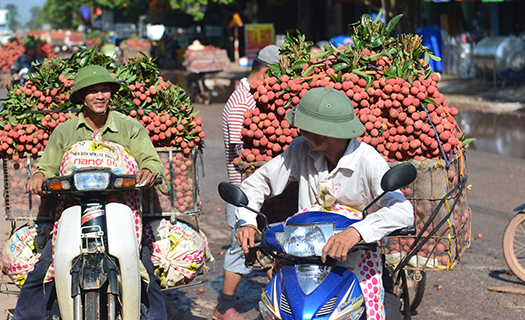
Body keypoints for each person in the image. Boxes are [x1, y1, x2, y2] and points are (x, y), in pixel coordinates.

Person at [235, 87, 413, 320]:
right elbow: (257, 184)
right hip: (303, 259)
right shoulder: (301, 149)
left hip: (357, 259)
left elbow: (402, 210)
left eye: (303, 127)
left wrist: (357, 231)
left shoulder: (367, 160)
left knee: (387, 313)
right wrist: (247, 222)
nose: (299, 132)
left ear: (324, 133)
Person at [14, 65, 168, 320]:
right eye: (92, 91)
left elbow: (150, 159)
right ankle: (26, 317)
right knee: (46, 265)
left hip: (122, 207)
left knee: (142, 266)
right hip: (74, 208)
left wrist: (148, 171)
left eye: (105, 90)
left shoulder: (129, 127)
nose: (100, 96)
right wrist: (39, 176)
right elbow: (47, 167)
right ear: (81, 97)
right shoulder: (65, 131)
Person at [215, 44, 281, 320]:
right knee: (240, 245)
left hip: (264, 186)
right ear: (266, 71)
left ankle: (281, 297)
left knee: (271, 243)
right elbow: (241, 152)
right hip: (243, 189)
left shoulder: (258, 96)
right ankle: (223, 306)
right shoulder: (240, 101)